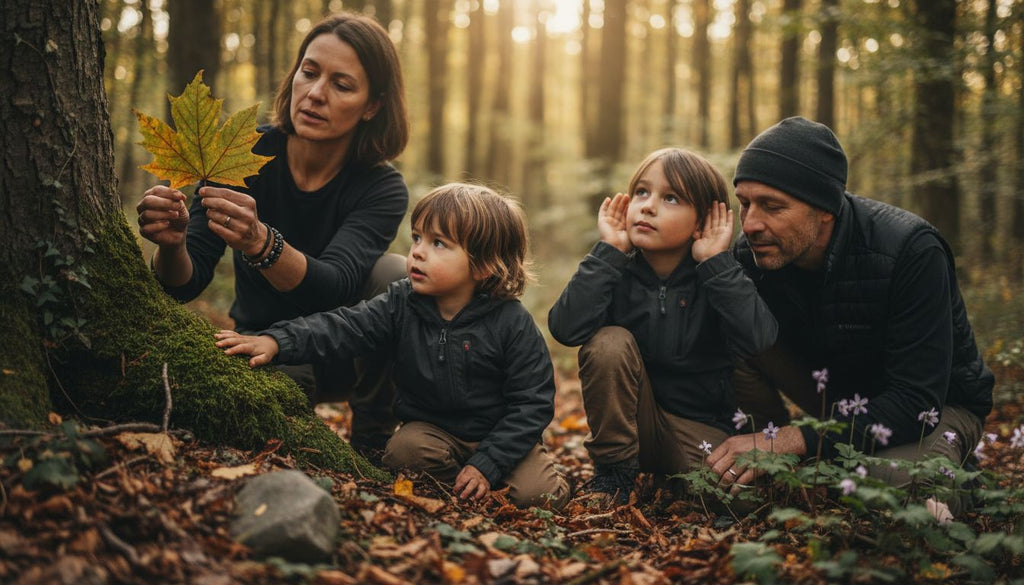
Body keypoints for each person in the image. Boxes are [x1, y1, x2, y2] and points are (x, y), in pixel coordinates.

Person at [135, 13, 410, 454]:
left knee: (395, 272)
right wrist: (172, 245)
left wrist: (262, 244)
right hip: (262, 344)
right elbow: (185, 283)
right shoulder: (240, 154)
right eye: (310, 72)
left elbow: (335, 286)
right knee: (282, 430)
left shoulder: (380, 186)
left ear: (372, 105)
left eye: (342, 85)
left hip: (344, 349)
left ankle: (372, 441)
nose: (316, 94)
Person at [214, 183, 570, 509]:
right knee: (403, 452)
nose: (417, 253)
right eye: (417, 238)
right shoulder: (402, 303)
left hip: (501, 434)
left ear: (484, 265)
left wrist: (489, 462)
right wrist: (278, 340)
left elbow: (532, 402)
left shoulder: (511, 322)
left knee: (539, 496)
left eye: (439, 244)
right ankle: (465, 485)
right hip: (434, 432)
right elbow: (344, 327)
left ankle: (501, 475)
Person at [707, 117, 994, 513]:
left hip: (936, 406)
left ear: (825, 209)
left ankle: (954, 467)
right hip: (836, 395)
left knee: (898, 493)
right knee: (733, 326)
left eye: (772, 206)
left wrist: (790, 440)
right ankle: (765, 464)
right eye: (745, 204)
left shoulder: (911, 251)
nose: (751, 224)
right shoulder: (752, 254)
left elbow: (915, 401)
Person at [548, 148, 778, 506]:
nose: (648, 206)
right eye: (641, 192)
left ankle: (671, 476)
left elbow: (759, 339)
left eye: (670, 198)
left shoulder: (720, 274)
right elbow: (565, 329)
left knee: (739, 500)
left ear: (704, 219)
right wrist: (608, 251)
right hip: (632, 424)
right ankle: (615, 473)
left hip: (697, 428)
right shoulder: (614, 269)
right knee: (609, 342)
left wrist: (715, 264)